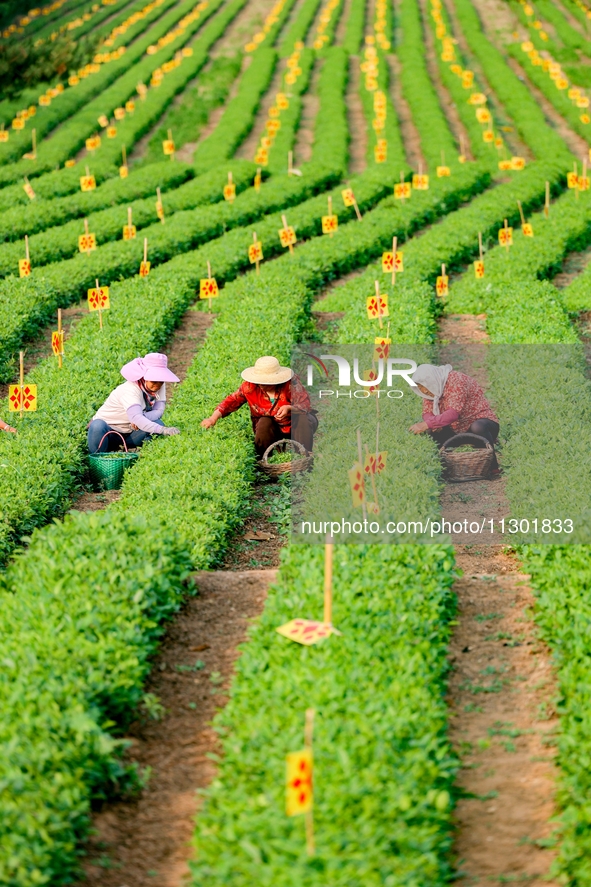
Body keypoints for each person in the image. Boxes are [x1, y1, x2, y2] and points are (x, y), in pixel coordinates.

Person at [201, 355, 317, 456]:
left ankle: (304, 458)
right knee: (264, 422)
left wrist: (289, 408)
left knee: (302, 418)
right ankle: (264, 461)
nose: (262, 385)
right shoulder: (250, 387)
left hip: (294, 424)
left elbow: (305, 405)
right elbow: (231, 401)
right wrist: (212, 418)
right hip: (272, 428)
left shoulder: (290, 383)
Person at [87, 352, 180, 454]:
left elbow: (159, 410)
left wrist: (142, 417)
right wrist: (163, 430)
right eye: (154, 382)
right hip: (108, 432)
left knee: (157, 423)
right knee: (97, 425)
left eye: (161, 382)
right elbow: (136, 418)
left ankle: (126, 449)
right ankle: (100, 455)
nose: (157, 386)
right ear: (144, 376)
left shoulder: (159, 384)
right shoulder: (130, 389)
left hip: (130, 433)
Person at [409, 363, 499, 454]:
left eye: (423, 386)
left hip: (479, 426)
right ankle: (445, 464)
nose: (424, 390)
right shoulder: (433, 388)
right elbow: (427, 412)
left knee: (478, 427)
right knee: (431, 430)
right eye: (420, 388)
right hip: (456, 431)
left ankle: (492, 465)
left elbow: (452, 414)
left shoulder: (457, 380)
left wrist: (427, 424)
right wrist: (434, 426)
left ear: (431, 379)